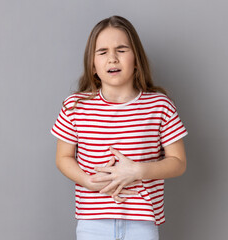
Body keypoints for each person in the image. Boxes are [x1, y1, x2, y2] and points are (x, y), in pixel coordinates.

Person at [50, 15, 188, 240]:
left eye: (121, 50)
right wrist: (87, 181)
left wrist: (138, 171)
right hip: (92, 223)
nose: (112, 58)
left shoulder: (160, 105)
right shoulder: (75, 106)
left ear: (136, 59)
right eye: (102, 52)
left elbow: (179, 162)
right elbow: (63, 157)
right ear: (92, 64)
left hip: (142, 223)